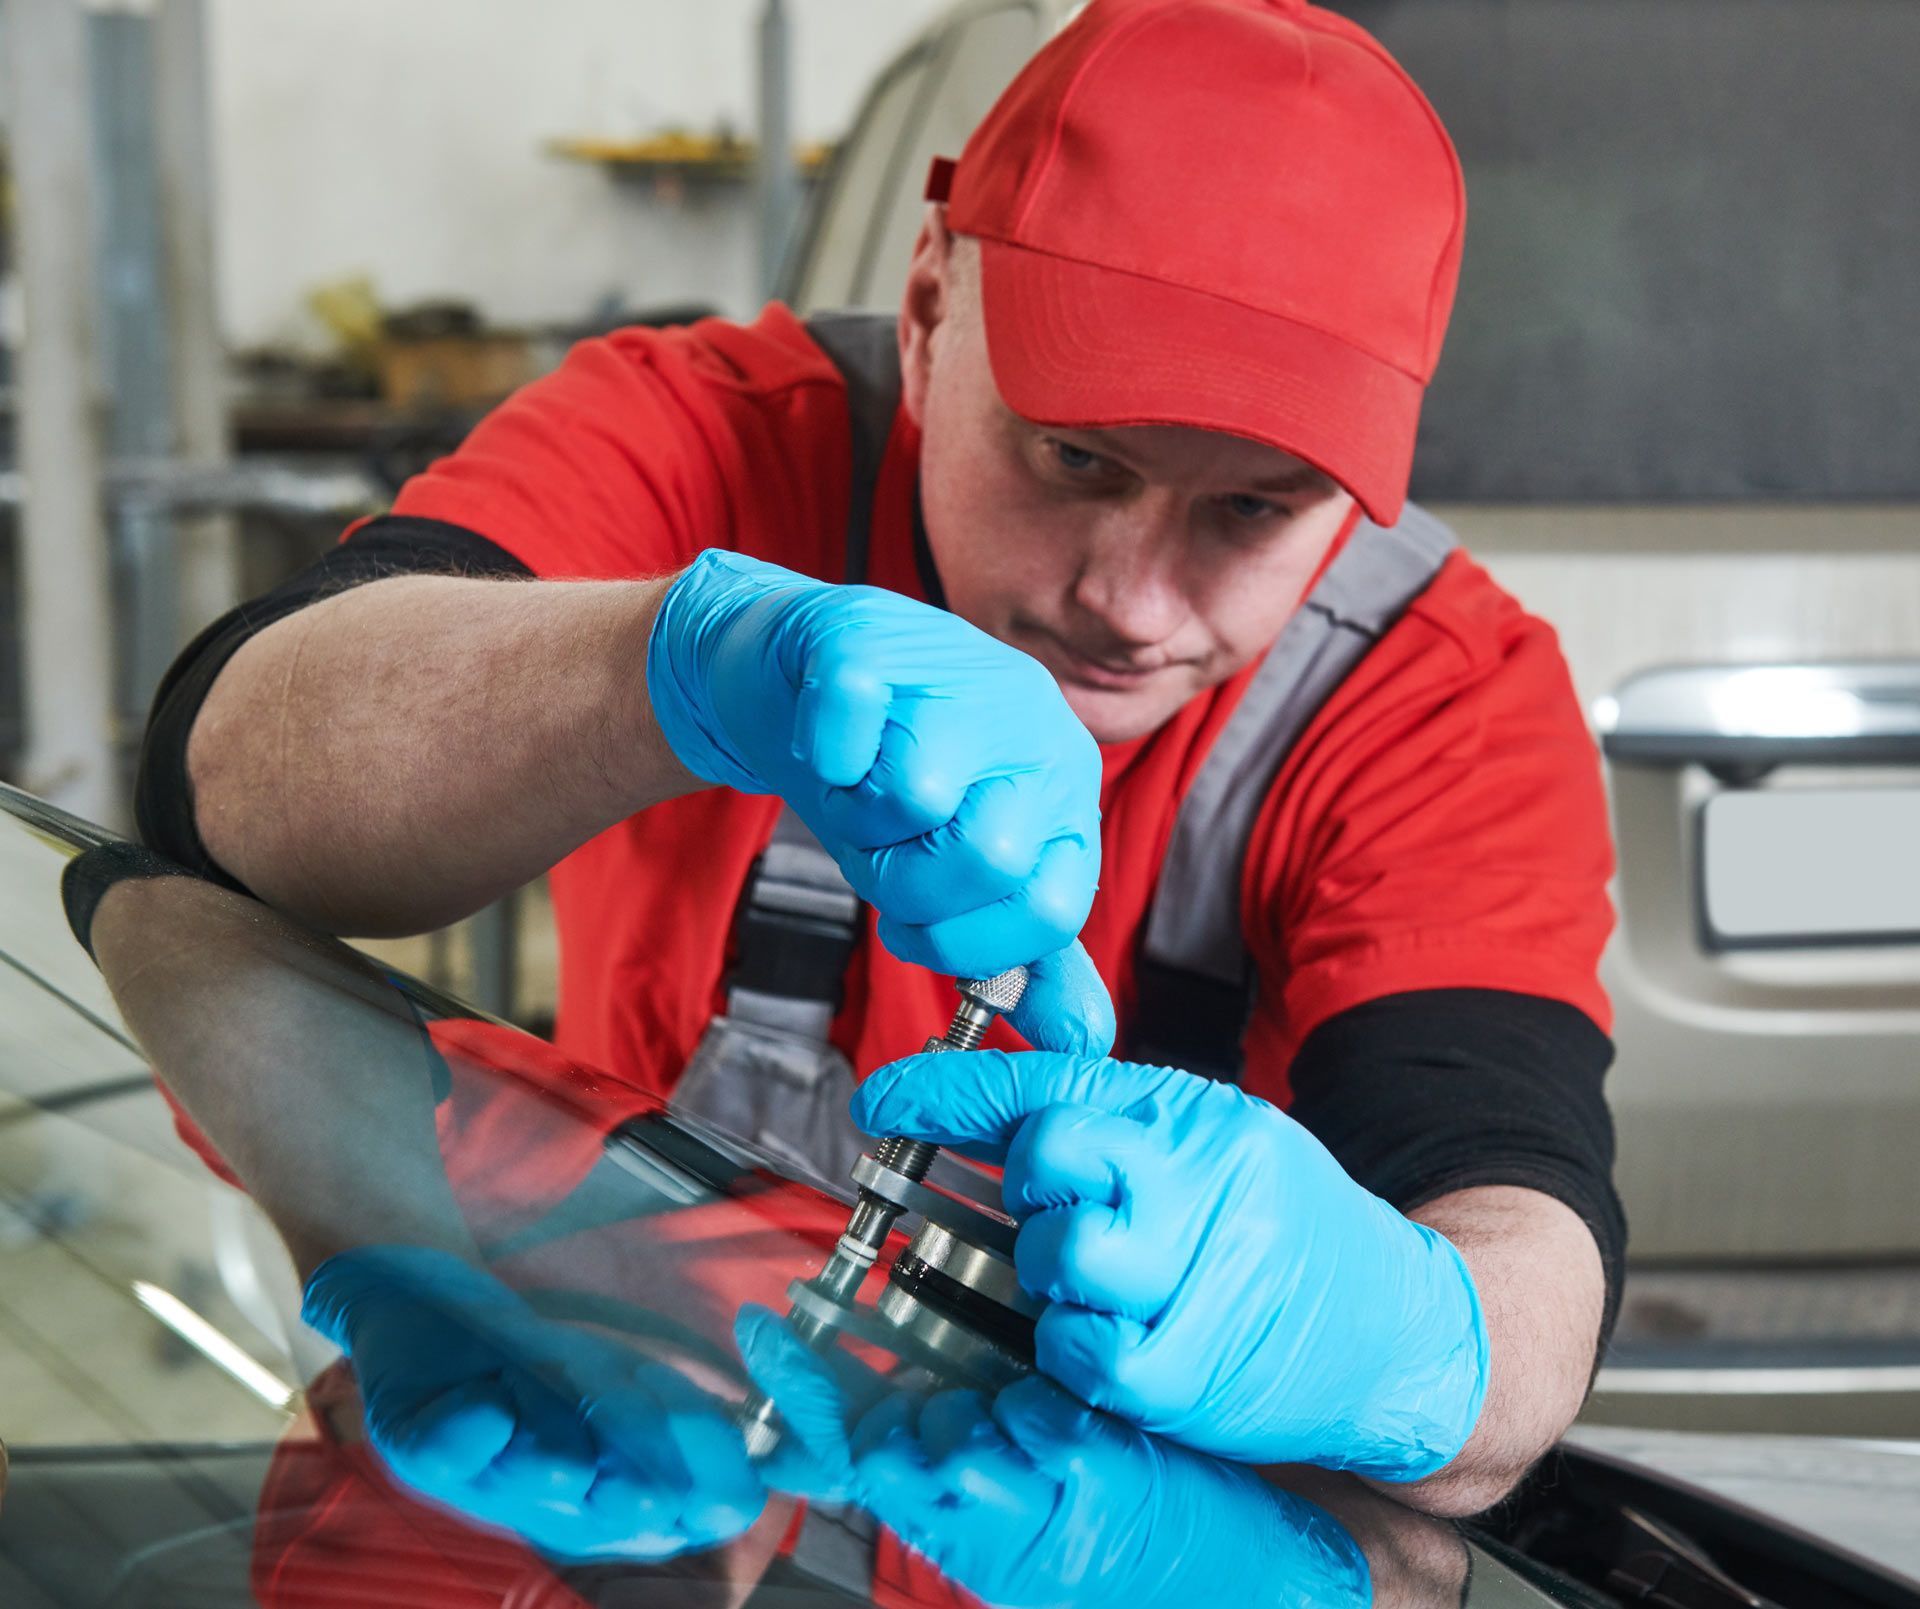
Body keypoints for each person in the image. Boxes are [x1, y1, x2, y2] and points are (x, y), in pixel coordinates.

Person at [138, 0, 1623, 1532]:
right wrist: (663, 670)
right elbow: (224, 783)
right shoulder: (706, 442)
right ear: (926, 307)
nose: (1130, 594)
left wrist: (1416, 1347)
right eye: (1077, 459)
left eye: (1253, 511)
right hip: (654, 1485)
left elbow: (1522, 1251)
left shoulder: (1434, 693)